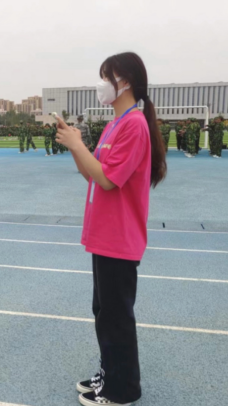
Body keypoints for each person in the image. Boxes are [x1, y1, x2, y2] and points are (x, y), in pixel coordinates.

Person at [56, 52, 166, 407]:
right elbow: (91, 173)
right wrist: (76, 146)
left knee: (116, 318)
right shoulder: (115, 124)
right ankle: (110, 375)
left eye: (108, 77)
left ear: (126, 81)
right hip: (104, 235)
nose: (102, 84)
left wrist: (78, 145)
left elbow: (107, 180)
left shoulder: (134, 125)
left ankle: (122, 390)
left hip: (119, 237)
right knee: (104, 314)